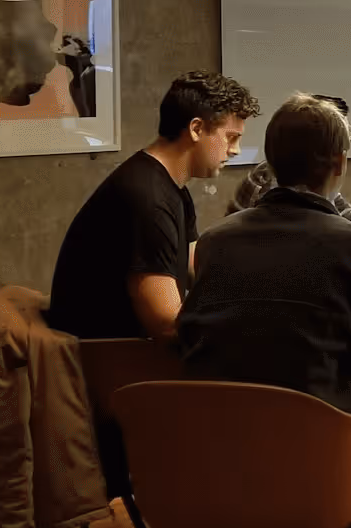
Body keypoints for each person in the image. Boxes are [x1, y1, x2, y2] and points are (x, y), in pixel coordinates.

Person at [177, 94, 351, 443]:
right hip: (317, 451)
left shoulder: (213, 243)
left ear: (271, 162)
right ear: (339, 162)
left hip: (212, 443)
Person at [48, 70, 258, 342]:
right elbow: (166, 323)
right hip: (106, 360)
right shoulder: (147, 199)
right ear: (196, 129)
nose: (236, 150)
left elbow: (196, 264)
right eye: (231, 137)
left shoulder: (170, 187)